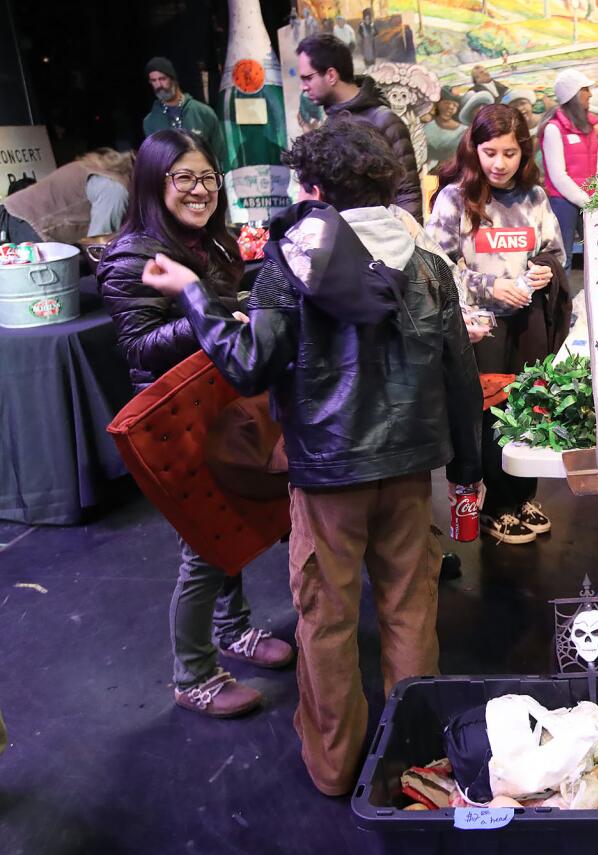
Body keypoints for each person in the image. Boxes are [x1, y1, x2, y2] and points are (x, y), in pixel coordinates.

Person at [139, 120, 483, 795]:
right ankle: (415, 758)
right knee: (411, 609)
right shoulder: (428, 265)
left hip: (326, 475)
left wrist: (191, 292)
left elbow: (246, 364)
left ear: (316, 187)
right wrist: (469, 469)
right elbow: (460, 375)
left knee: (324, 618)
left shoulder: (288, 264)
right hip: (411, 470)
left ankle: (335, 765)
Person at [96, 130, 294, 718]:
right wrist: (209, 312)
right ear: (155, 183)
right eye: (183, 178)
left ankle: (234, 630)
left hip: (219, 404)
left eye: (208, 177)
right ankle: (193, 674)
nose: (200, 189)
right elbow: (138, 346)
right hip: (171, 419)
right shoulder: (132, 255)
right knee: (201, 548)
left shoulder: (216, 241)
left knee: (227, 524)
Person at [427, 104, 567, 544]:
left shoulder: (535, 197)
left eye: (509, 153)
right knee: (490, 418)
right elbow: (435, 266)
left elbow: (555, 251)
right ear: (475, 149)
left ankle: (521, 495)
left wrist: (544, 270)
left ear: (523, 153)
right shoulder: (455, 198)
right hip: (480, 327)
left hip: (529, 325)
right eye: (490, 152)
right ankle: (494, 507)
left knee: (531, 409)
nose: (499, 164)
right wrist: (490, 286)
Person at [296, 34, 423, 222]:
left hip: (385, 242)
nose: (304, 87)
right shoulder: (328, 126)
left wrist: (410, 243)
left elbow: (407, 191)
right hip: (343, 243)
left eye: (308, 78)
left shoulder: (384, 120)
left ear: (331, 75)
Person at [0, 148, 133, 245]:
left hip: (13, 216)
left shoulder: (102, 167)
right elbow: (99, 245)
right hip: (24, 225)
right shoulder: (115, 188)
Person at [539, 69, 598, 268]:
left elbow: (597, 165)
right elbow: (558, 176)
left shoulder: (589, 127)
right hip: (563, 202)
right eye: (585, 89)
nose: (590, 94)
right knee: (563, 259)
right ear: (573, 94)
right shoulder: (553, 129)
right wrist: (587, 201)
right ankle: (564, 300)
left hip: (591, 201)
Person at [142, 57, 225, 167]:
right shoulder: (150, 122)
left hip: (201, 178)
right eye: (153, 80)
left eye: (162, 79)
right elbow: (154, 161)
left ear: (173, 79)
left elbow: (219, 154)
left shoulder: (203, 113)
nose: (158, 85)